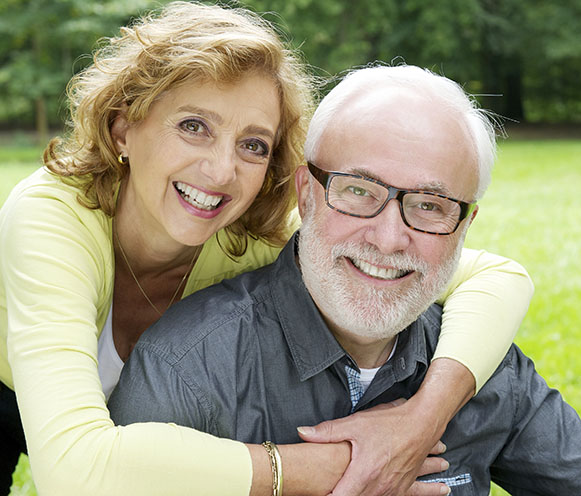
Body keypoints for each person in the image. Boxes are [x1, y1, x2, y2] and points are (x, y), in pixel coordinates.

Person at [0, 3, 535, 496]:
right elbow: (74, 470)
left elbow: (498, 276)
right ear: (123, 127)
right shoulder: (53, 214)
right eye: (194, 127)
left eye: (253, 145)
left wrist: (421, 420)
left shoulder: (248, 234)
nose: (220, 171)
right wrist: (339, 466)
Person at [109, 65, 581, 496]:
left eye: (431, 206)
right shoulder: (189, 370)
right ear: (306, 195)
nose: (389, 239)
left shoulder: (478, 365)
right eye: (359, 191)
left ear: (465, 227)